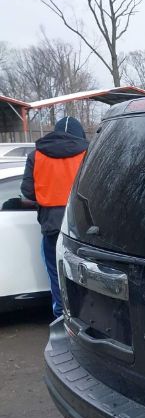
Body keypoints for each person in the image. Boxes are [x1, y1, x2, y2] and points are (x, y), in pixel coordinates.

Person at [20, 116, 88, 319]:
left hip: (51, 226)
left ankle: (61, 317)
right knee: (85, 276)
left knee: (56, 275)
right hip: (82, 228)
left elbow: (28, 193)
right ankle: (86, 317)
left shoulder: (36, 155)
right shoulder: (87, 153)